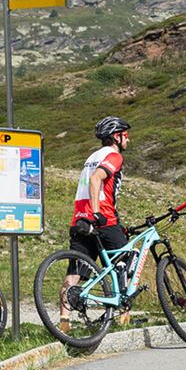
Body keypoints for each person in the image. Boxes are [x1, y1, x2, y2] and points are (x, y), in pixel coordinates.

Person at [62, 116, 133, 330]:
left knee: (74, 272)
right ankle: (124, 316)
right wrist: (96, 212)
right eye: (126, 135)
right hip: (103, 218)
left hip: (80, 218)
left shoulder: (92, 156)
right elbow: (96, 179)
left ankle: (64, 322)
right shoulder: (114, 156)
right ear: (116, 137)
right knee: (124, 261)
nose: (128, 140)